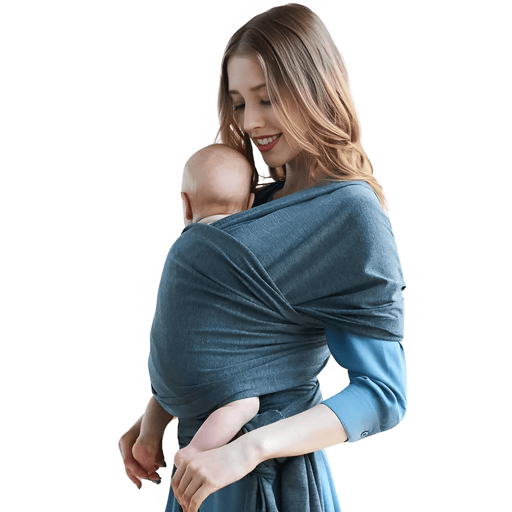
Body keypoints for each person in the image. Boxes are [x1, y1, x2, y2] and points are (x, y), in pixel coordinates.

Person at [119, 4, 407, 512]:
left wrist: (249, 450)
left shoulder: (351, 215)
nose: (250, 123)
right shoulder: (254, 202)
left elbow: (383, 396)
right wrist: (157, 413)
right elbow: (217, 338)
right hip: (200, 471)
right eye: (237, 104)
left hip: (266, 477)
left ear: (315, 90)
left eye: (267, 100)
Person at [119, 143, 260, 486]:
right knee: (246, 404)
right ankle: (195, 452)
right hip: (217, 375)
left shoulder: (182, 248)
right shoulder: (249, 248)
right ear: (251, 204)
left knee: (169, 390)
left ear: (185, 204)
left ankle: (147, 439)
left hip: (166, 373)